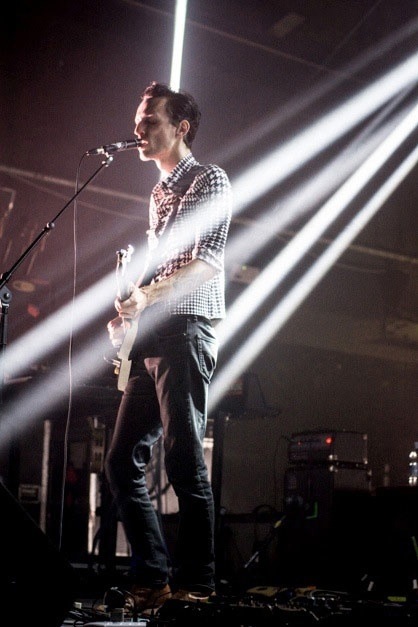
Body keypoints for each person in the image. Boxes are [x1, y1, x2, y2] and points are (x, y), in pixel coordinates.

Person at [104, 81, 232, 616]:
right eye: (138, 120)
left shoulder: (209, 179)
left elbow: (206, 262)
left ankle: (197, 584)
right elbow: (160, 269)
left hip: (188, 331)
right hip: (155, 336)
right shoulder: (157, 195)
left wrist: (147, 298)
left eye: (150, 120)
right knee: (120, 462)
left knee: (182, 458)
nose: (138, 129)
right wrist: (129, 318)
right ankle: (152, 579)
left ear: (181, 128)